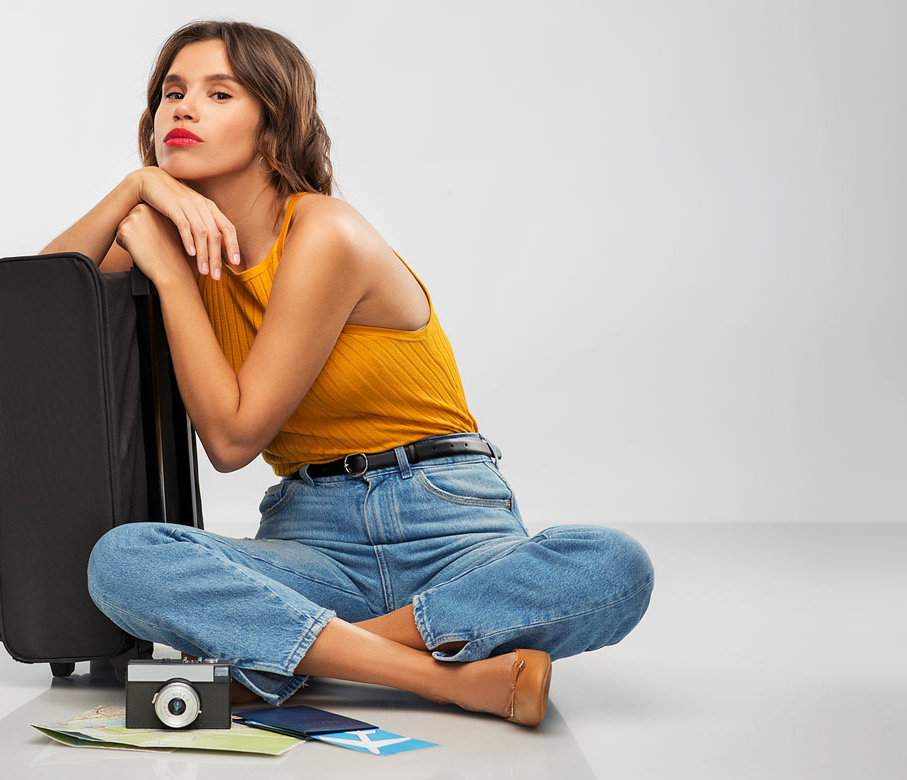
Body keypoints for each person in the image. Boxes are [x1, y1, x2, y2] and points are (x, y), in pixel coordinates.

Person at [41, 20, 654, 727]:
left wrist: (171, 281)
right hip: (313, 542)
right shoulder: (170, 238)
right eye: (172, 92)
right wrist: (130, 191)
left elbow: (233, 438)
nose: (182, 108)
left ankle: (298, 654)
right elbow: (37, 305)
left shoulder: (325, 231)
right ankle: (445, 679)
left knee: (612, 565)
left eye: (218, 93)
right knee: (122, 560)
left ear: (273, 129)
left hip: (447, 525)